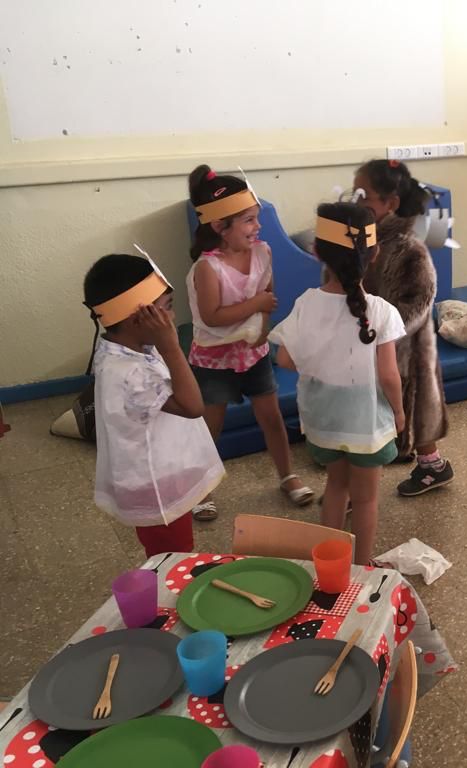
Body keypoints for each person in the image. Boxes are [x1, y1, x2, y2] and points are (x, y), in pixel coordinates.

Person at [269, 203, 405, 564]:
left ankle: (329, 562)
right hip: (366, 422)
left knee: (335, 487)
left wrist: (320, 360)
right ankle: (362, 567)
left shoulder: (306, 303)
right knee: (366, 499)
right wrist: (399, 412)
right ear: (374, 254)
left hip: (323, 420)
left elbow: (284, 360)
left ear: (316, 252)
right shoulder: (382, 311)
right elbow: (389, 375)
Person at [186, 164, 313, 519]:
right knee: (211, 425)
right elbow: (212, 316)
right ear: (219, 226)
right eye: (249, 220)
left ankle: (287, 475)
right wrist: (256, 305)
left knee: (271, 417)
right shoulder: (207, 268)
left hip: (253, 353)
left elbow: (268, 295)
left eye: (257, 218)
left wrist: (263, 328)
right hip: (214, 360)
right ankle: (200, 489)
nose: (258, 227)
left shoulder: (262, 252)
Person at [84, 252, 224, 557]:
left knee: (170, 552)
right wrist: (171, 347)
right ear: (138, 318)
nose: (171, 317)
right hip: (156, 486)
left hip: (159, 472)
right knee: (172, 557)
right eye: (167, 308)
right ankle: (166, 588)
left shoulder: (125, 346)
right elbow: (193, 407)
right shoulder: (130, 372)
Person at [353, 159, 454, 496]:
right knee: (377, 413)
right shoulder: (365, 241)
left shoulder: (410, 249)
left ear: (391, 203)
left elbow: (418, 303)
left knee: (418, 408)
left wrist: (379, 331)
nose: (357, 202)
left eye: (364, 196)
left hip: (407, 351)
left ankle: (432, 466)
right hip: (372, 344)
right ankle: (360, 478)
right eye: (355, 194)